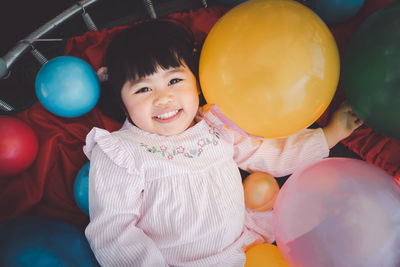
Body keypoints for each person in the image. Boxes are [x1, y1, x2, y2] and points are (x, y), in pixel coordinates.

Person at [83, 19, 362, 266]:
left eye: (175, 80)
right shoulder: (119, 150)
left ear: (196, 83)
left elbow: (267, 154)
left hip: (241, 252)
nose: (163, 98)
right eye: (143, 89)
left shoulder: (215, 126)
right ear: (121, 100)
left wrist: (331, 134)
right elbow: (114, 231)